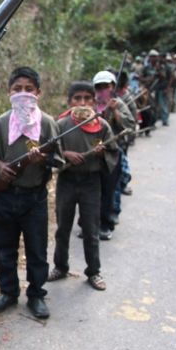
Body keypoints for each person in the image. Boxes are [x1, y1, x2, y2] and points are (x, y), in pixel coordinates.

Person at [0, 67, 61, 318]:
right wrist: (1, 166)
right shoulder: (0, 124)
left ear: (38, 93)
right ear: (9, 92)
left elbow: (58, 159)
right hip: (5, 196)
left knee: (37, 249)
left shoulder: (47, 124)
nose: (23, 94)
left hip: (35, 197)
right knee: (4, 249)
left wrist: (42, 160)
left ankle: (36, 294)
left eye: (29, 89)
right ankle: (9, 292)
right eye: (17, 89)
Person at [48, 81, 118, 292]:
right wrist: (65, 155)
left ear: (94, 101)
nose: (82, 102)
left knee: (91, 228)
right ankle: (60, 266)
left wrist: (101, 152)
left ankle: (93, 271)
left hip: (91, 183)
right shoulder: (60, 125)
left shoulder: (101, 125)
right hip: (67, 181)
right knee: (63, 227)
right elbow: (51, 151)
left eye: (87, 98)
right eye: (77, 98)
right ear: (69, 101)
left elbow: (113, 151)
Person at [93, 70, 135, 240]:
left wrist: (115, 112)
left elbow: (130, 124)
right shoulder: (91, 104)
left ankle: (106, 223)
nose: (103, 90)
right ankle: (89, 224)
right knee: (92, 192)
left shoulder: (118, 104)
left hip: (112, 155)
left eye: (106, 86)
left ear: (112, 87)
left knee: (110, 191)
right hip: (92, 155)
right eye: (100, 87)